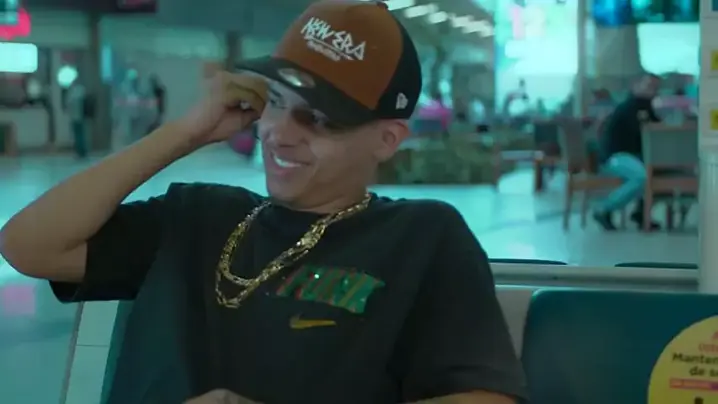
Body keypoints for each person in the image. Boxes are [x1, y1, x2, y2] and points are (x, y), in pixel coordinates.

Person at [0, 2, 526, 403]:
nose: (279, 133)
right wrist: (186, 132)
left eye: (317, 119)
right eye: (275, 102)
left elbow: (482, 397)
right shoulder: (197, 217)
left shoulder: (423, 239)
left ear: (387, 139)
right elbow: (28, 246)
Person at [593, 73, 662, 230]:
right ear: (636, 85)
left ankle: (641, 212)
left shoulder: (645, 107)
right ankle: (604, 209)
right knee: (642, 177)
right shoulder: (629, 107)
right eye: (648, 86)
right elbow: (641, 133)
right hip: (615, 157)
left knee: (659, 173)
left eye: (655, 88)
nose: (652, 90)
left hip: (633, 157)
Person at [65, 78, 88, 158]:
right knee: (81, 134)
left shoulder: (73, 92)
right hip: (80, 116)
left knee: (78, 135)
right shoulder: (81, 91)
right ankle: (82, 151)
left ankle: (80, 151)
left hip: (76, 117)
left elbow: (69, 104)